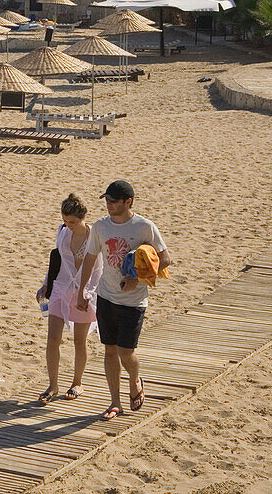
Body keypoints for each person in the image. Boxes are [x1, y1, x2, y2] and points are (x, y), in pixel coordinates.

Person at [76, 180, 171, 420]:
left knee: (126, 352)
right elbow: (90, 258)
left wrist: (137, 279)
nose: (108, 204)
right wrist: (82, 290)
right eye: (106, 200)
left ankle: (134, 379)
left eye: (113, 201)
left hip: (134, 300)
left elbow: (165, 259)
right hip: (106, 295)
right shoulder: (100, 227)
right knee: (109, 350)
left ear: (128, 202)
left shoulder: (144, 227)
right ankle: (115, 402)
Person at [37, 193, 101, 404]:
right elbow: (56, 260)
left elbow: (98, 270)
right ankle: (52, 385)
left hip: (84, 293)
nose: (68, 225)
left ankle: (77, 382)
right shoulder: (63, 232)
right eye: (65, 221)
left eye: (72, 222)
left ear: (83, 217)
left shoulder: (94, 236)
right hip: (61, 289)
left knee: (79, 340)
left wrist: (88, 293)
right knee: (53, 338)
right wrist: (46, 284)